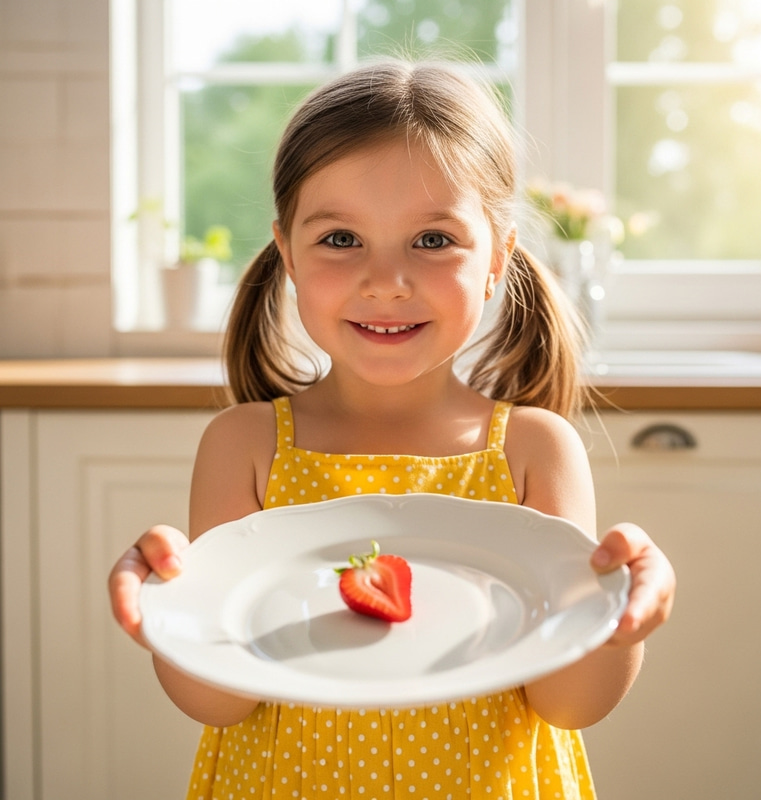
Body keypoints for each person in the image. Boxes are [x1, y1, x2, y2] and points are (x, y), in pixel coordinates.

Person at [109, 59, 675, 799]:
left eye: (433, 241)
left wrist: (622, 617)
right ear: (286, 253)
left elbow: (568, 702)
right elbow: (221, 699)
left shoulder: (536, 451)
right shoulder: (244, 446)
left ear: (498, 257)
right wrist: (171, 609)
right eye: (341, 240)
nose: (386, 280)